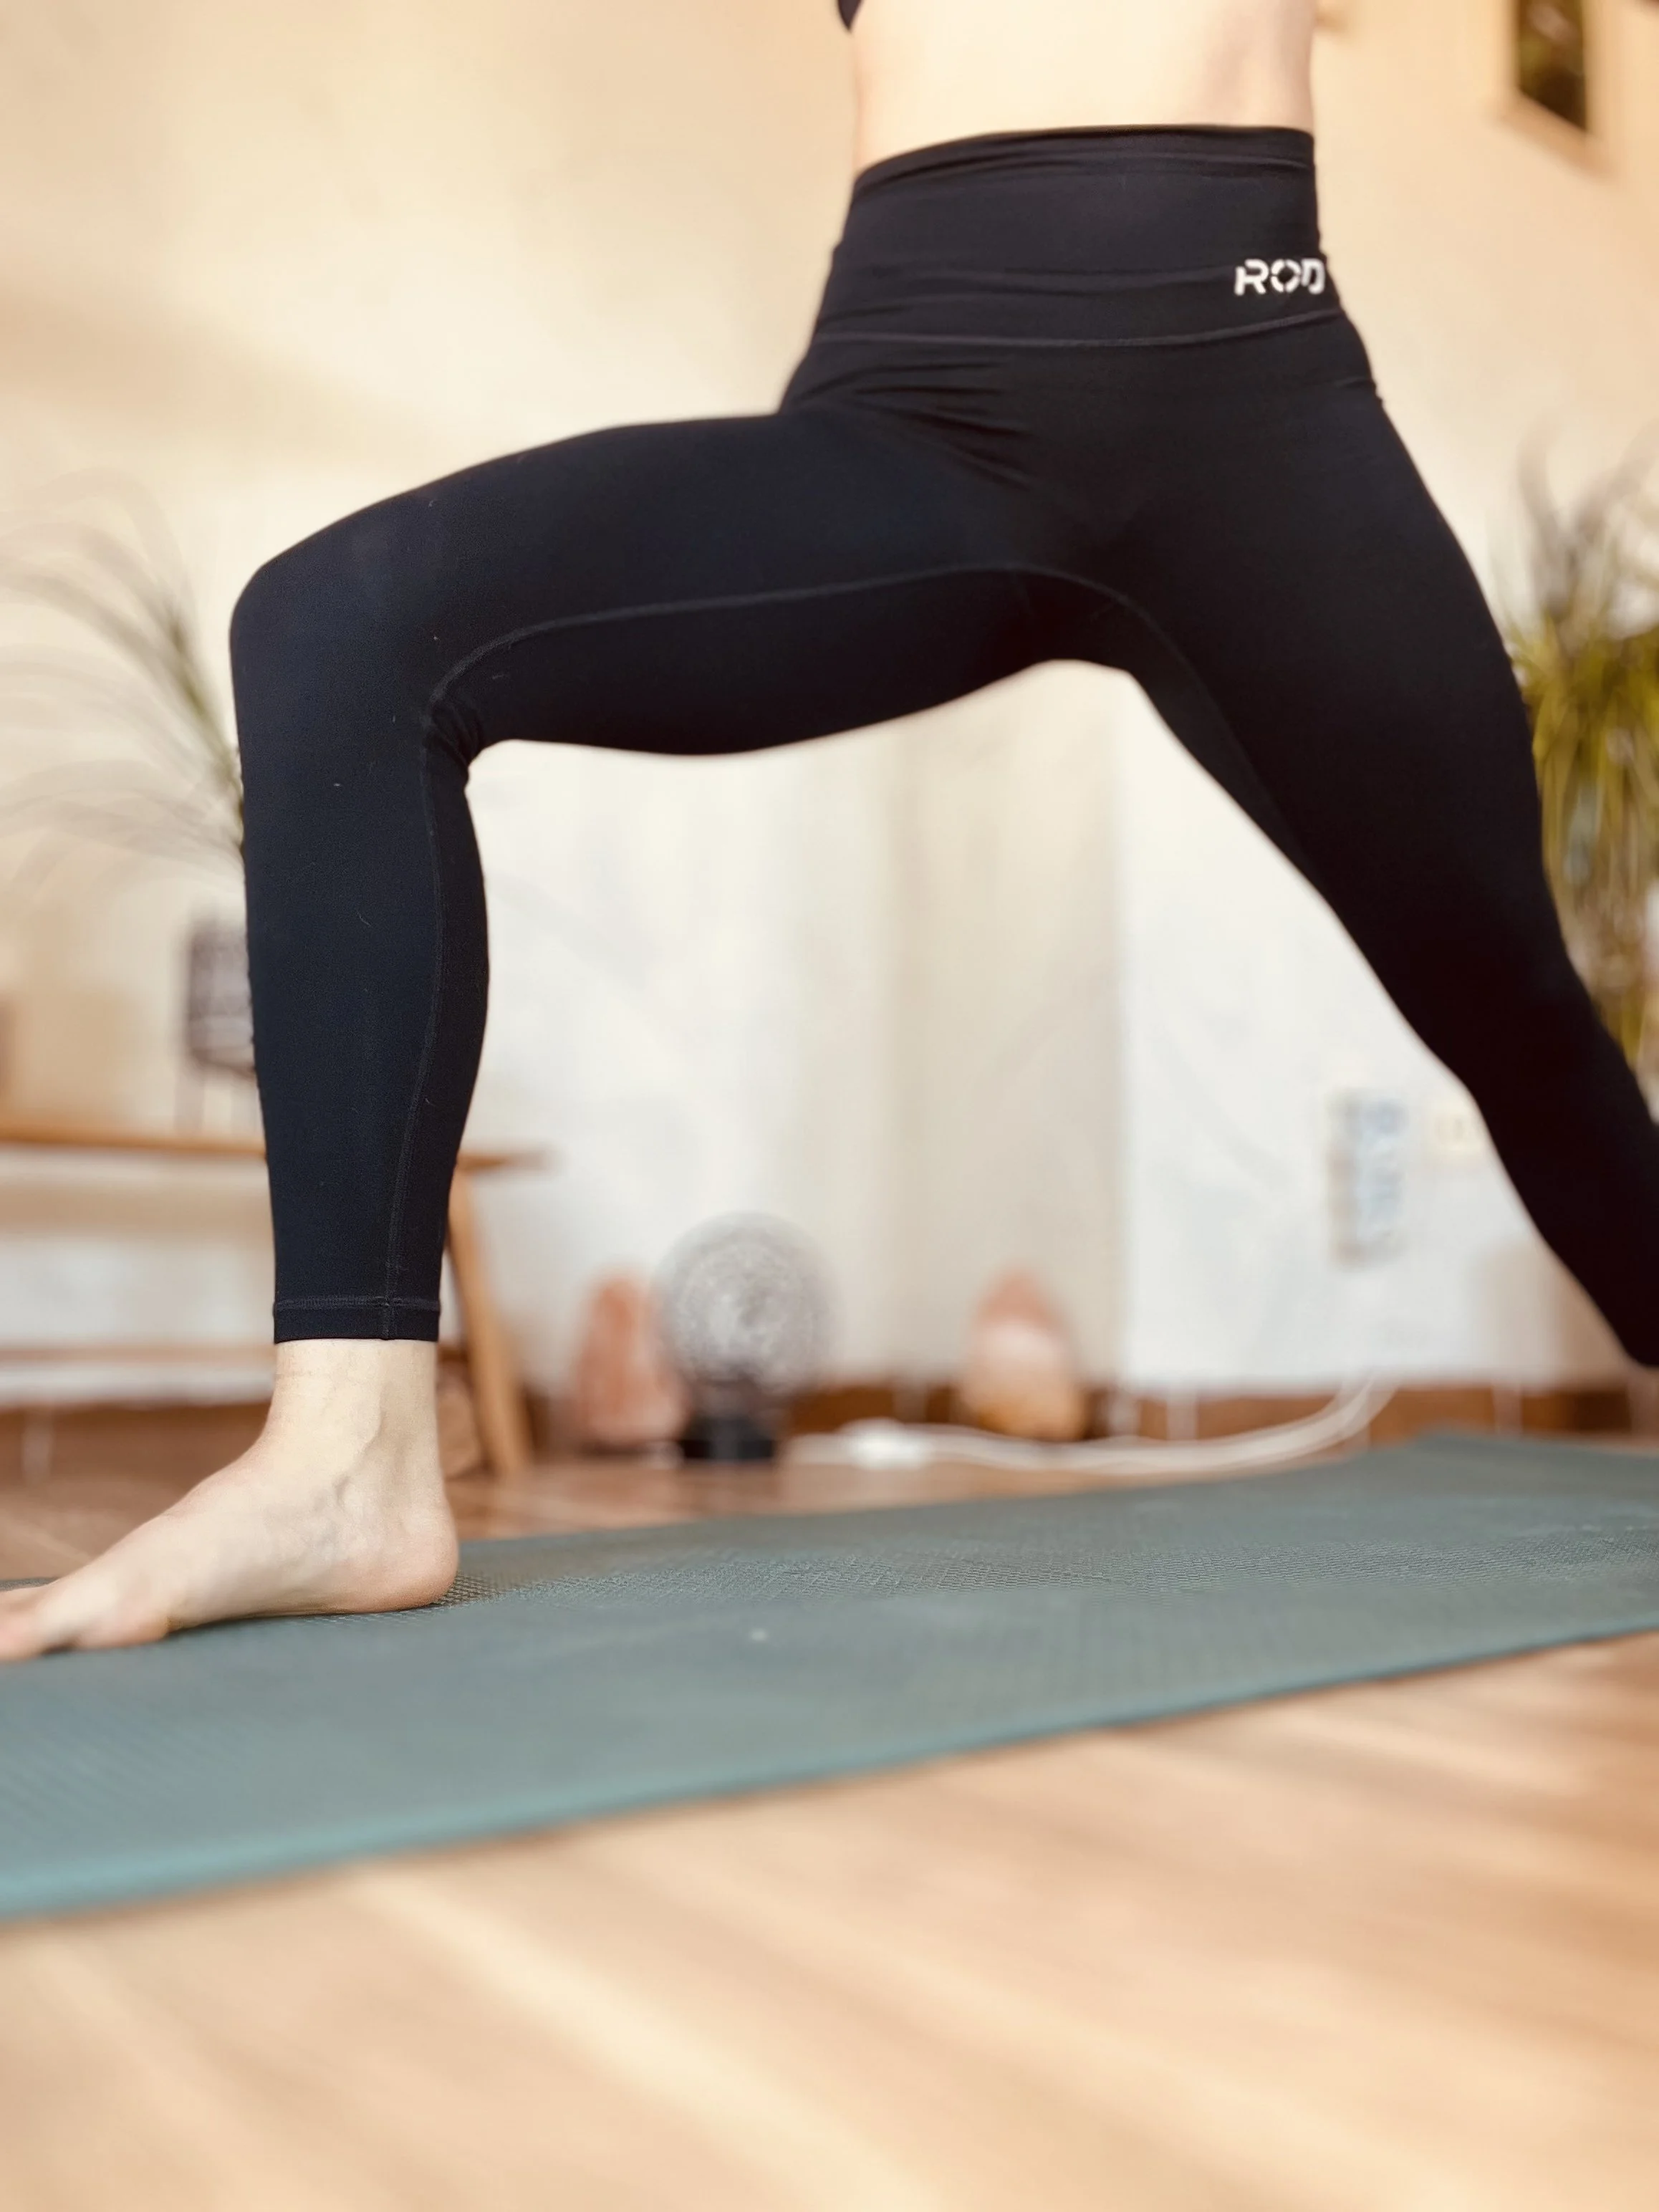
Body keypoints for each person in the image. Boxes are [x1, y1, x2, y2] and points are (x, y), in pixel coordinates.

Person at [3, 0, 1655, 1660]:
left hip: (1260, 390)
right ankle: (344, 1465)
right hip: (918, 411)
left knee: (1517, 1007)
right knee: (338, 629)